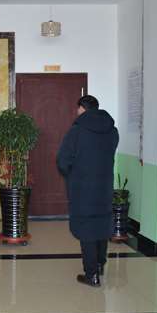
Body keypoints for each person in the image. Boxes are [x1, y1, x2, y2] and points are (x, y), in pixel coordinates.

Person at [56, 95, 119, 287]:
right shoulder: (112, 131)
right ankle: (100, 265)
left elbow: (62, 161)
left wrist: (73, 175)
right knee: (101, 224)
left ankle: (91, 274)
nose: (77, 112)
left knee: (87, 229)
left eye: (78, 109)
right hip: (104, 186)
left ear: (82, 108)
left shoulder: (77, 131)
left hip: (83, 188)